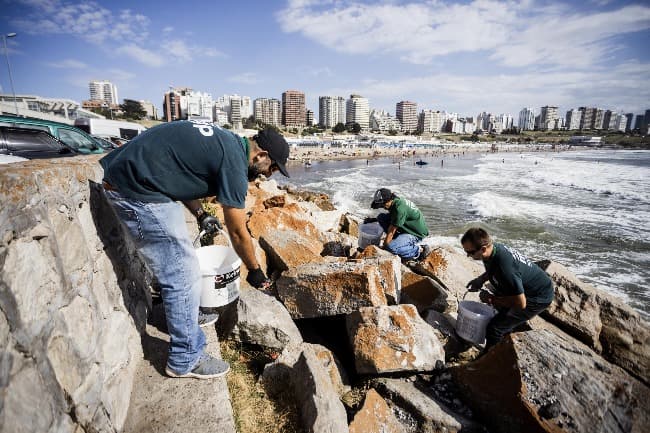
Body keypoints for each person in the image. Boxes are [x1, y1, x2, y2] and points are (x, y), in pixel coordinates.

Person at [100, 120, 290, 379]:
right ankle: (185, 359)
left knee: (178, 263)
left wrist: (200, 214)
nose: (269, 175)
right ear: (262, 155)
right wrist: (256, 272)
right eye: (274, 168)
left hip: (139, 180)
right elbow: (236, 231)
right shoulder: (235, 162)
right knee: (182, 272)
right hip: (134, 189)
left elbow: (179, 176)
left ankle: (184, 316)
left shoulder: (229, 144)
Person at [461, 227, 554, 349]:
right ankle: (508, 333)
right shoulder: (493, 250)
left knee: (495, 328)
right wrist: (480, 280)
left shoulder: (505, 268)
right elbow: (492, 268)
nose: (468, 256)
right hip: (524, 285)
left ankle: (491, 360)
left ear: (483, 249)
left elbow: (521, 303)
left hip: (538, 296)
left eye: (471, 252)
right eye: (466, 252)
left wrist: (492, 299)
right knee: (502, 312)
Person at [369, 188, 430, 261]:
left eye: (383, 205)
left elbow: (391, 231)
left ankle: (418, 251)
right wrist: (373, 220)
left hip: (415, 234)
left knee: (391, 247)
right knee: (381, 217)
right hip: (407, 226)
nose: (383, 207)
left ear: (390, 199)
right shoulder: (396, 201)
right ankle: (398, 241)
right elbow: (394, 218)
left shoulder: (399, 209)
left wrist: (384, 248)